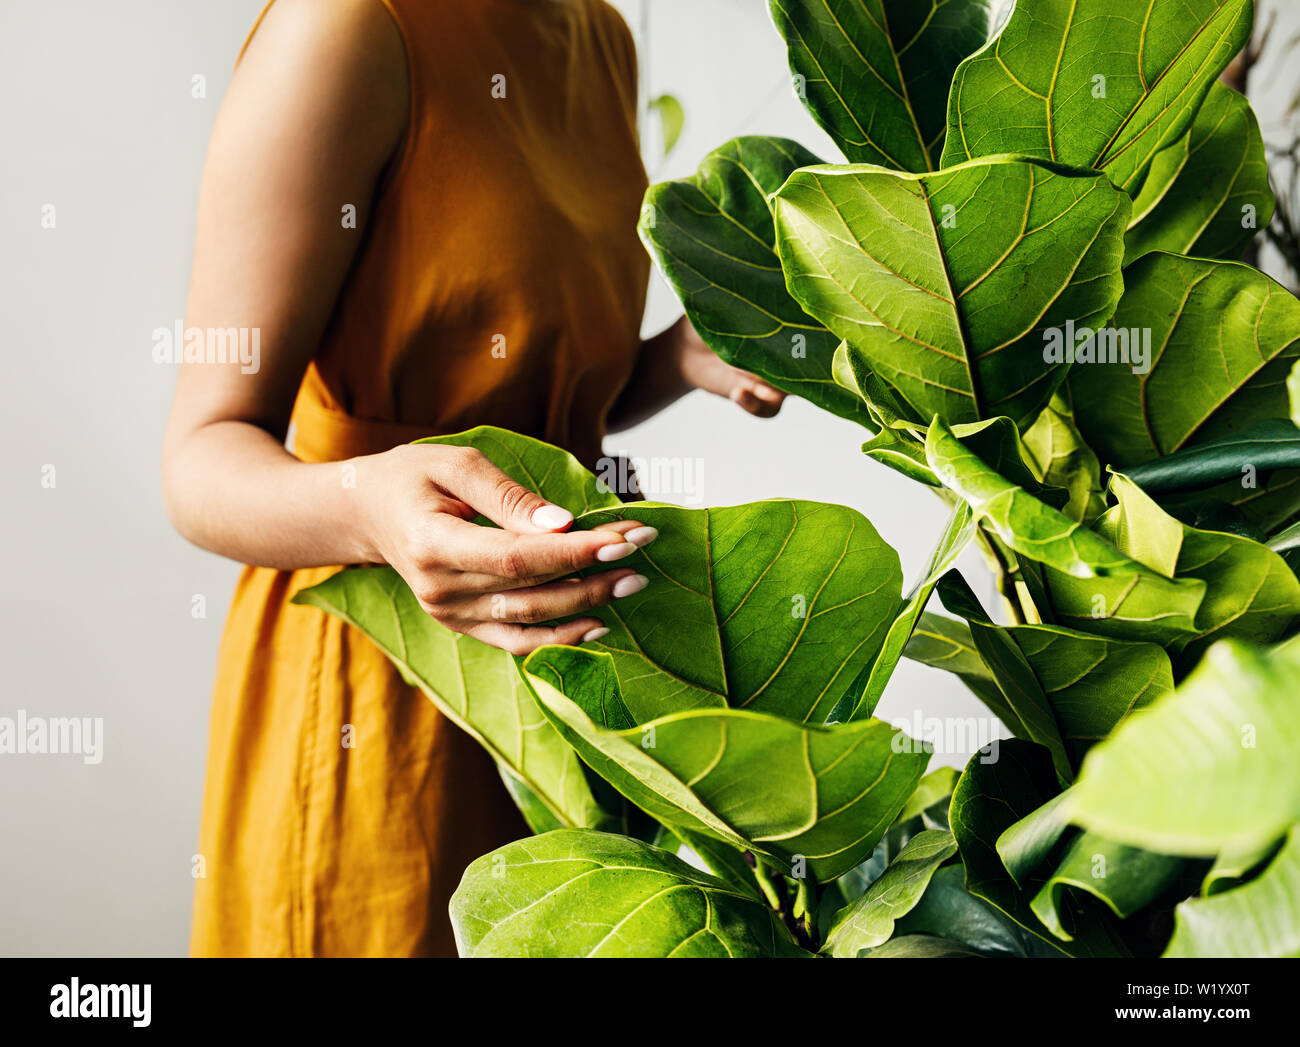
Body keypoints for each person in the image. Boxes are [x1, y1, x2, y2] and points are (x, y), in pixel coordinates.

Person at [162, 0, 784, 957]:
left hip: (570, 695)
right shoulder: (348, 26)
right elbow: (200, 457)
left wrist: (675, 360)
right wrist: (371, 511)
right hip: (381, 689)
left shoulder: (600, 35)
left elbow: (529, 402)